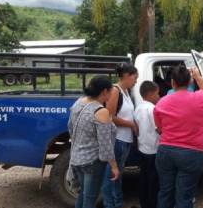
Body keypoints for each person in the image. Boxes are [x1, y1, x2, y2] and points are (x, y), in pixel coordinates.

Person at [153, 65, 203, 208]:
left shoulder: (161, 102)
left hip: (166, 151)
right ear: (190, 82)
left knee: (165, 192)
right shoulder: (200, 98)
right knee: (184, 196)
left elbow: (160, 128)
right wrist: (198, 76)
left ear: (172, 82)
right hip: (192, 153)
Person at [68, 75, 119, 208]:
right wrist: (114, 166)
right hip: (92, 162)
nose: (111, 96)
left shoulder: (79, 102)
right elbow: (105, 144)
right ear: (104, 92)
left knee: (82, 194)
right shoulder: (101, 111)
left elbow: (70, 127)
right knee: (90, 199)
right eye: (111, 92)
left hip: (76, 158)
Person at [102, 63, 138, 208]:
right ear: (127, 76)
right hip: (117, 140)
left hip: (125, 140)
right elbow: (109, 117)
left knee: (117, 176)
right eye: (135, 77)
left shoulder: (126, 91)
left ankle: (117, 204)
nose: (136, 81)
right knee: (111, 177)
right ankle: (110, 204)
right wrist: (131, 124)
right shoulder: (115, 90)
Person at [135, 81, 161, 208]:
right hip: (153, 150)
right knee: (153, 180)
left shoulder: (138, 107)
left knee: (144, 178)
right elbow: (158, 129)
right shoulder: (152, 109)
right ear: (150, 94)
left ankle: (144, 203)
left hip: (142, 148)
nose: (158, 96)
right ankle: (152, 204)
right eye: (157, 94)